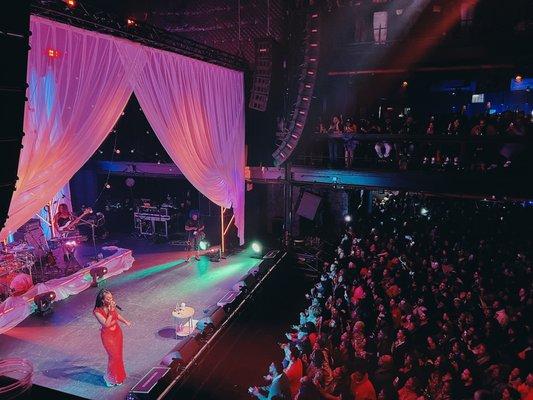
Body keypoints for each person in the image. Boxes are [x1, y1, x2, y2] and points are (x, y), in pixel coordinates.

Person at [93, 289, 131, 387]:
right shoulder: (97, 311)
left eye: (111, 297)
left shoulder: (110, 307)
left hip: (117, 333)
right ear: (102, 300)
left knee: (119, 356)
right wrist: (111, 311)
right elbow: (106, 324)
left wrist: (125, 321)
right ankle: (109, 378)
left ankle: (118, 377)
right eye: (108, 298)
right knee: (113, 357)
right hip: (108, 336)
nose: (111, 299)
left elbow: (116, 315)